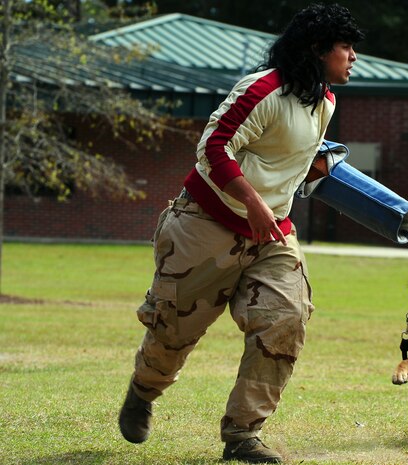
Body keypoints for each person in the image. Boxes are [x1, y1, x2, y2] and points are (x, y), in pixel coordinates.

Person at [118, 4, 364, 463]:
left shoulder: (326, 102)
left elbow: (284, 164)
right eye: (345, 47)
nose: (353, 56)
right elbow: (212, 145)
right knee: (172, 335)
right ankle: (143, 393)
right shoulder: (262, 88)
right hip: (204, 226)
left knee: (286, 319)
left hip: (272, 235)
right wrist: (252, 202)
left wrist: (310, 171)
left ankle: (242, 435)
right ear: (317, 48)